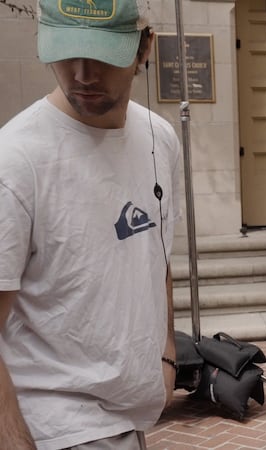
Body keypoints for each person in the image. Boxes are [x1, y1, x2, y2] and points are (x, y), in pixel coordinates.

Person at [0, 2, 181, 449]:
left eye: (102, 53)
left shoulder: (160, 137)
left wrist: (166, 354)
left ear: (144, 48)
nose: (82, 74)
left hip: (130, 418)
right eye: (66, 51)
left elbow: (156, 255)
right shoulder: (16, 159)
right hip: (52, 425)